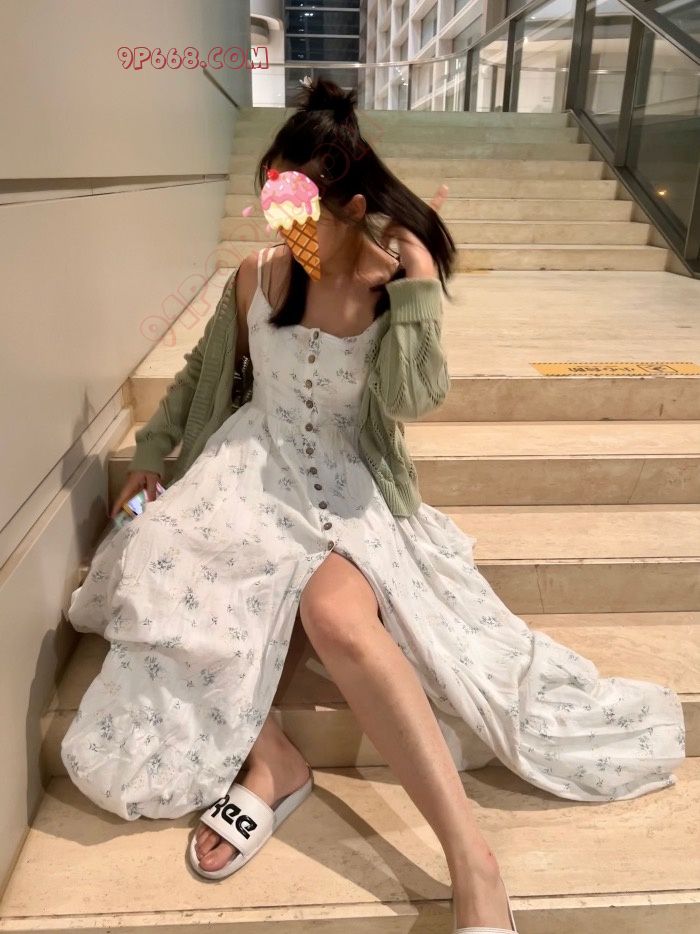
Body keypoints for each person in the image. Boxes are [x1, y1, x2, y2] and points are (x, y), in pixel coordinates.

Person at [62, 79, 685, 933]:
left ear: (353, 207)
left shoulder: (389, 287)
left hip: (345, 485)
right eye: (273, 209)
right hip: (246, 469)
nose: (284, 230)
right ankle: (272, 760)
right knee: (154, 567)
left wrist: (420, 290)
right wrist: (149, 454)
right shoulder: (258, 275)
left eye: (299, 213)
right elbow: (203, 376)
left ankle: (473, 863)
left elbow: (410, 400)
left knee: (339, 620)